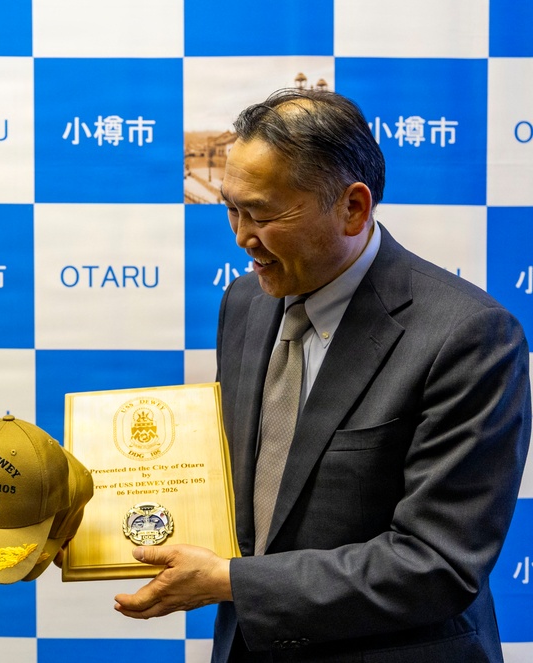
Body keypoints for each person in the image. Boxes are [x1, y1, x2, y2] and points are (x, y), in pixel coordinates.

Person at [115, 88, 531, 662]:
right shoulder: (245, 301)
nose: (241, 238)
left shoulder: (469, 336)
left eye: (261, 214)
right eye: (231, 209)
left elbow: (437, 564)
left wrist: (231, 583)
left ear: (353, 208)